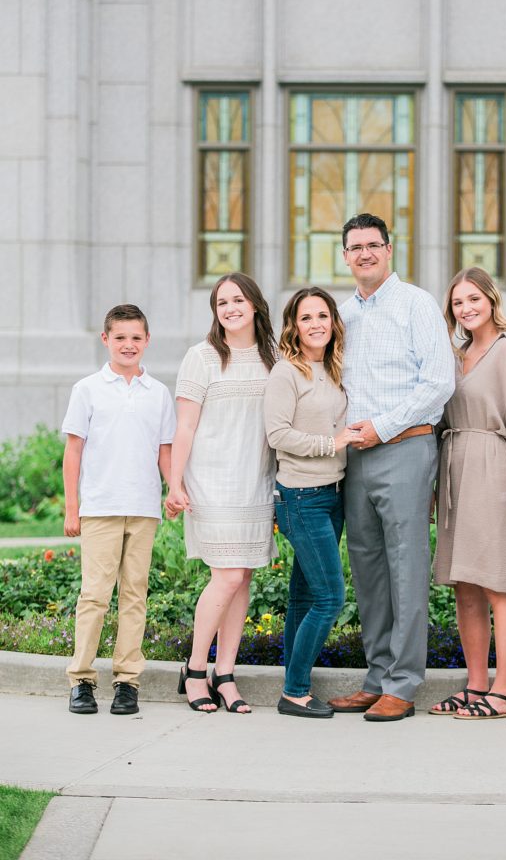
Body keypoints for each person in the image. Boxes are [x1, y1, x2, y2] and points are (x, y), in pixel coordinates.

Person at [328, 213, 454, 722]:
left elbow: (438, 383)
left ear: (389, 248)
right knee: (369, 568)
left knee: (406, 567)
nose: (364, 254)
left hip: (404, 446)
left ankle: (403, 683)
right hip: (355, 457)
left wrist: (382, 425)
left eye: (372, 245)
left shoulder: (416, 304)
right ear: (344, 256)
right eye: (355, 247)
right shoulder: (341, 315)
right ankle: (377, 676)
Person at [430, 267, 506, 721]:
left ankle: (503, 689)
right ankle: (476, 685)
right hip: (455, 466)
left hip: (493, 467)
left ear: (491, 300)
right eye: (458, 302)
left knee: (498, 582)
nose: (466, 309)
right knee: (465, 585)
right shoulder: (456, 354)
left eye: (474, 299)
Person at [166, 273, 277, 714]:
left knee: (243, 576)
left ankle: (225, 674)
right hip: (213, 482)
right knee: (227, 575)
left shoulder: (272, 357)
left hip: (256, 480)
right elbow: (185, 425)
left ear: (254, 305)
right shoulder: (203, 357)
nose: (230, 308)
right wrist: (174, 482)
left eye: (237, 299)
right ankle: (195, 670)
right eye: (221, 302)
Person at [63, 304, 176, 716]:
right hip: (101, 507)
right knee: (94, 595)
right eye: (120, 337)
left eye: (136, 337)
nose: (129, 345)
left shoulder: (159, 392)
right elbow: (73, 452)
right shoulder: (88, 389)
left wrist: (173, 489)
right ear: (105, 339)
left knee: (134, 595)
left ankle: (127, 681)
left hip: (143, 508)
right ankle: (81, 680)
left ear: (147, 341)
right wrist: (72, 508)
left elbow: (164, 451)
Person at [264, 288, 361, 719]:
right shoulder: (287, 373)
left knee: (304, 597)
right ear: (294, 326)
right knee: (330, 598)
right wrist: (332, 442)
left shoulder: (335, 368)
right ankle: (295, 691)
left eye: (323, 315)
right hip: (300, 497)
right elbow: (277, 434)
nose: (316, 323)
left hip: (333, 495)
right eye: (307, 317)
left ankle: (294, 686)